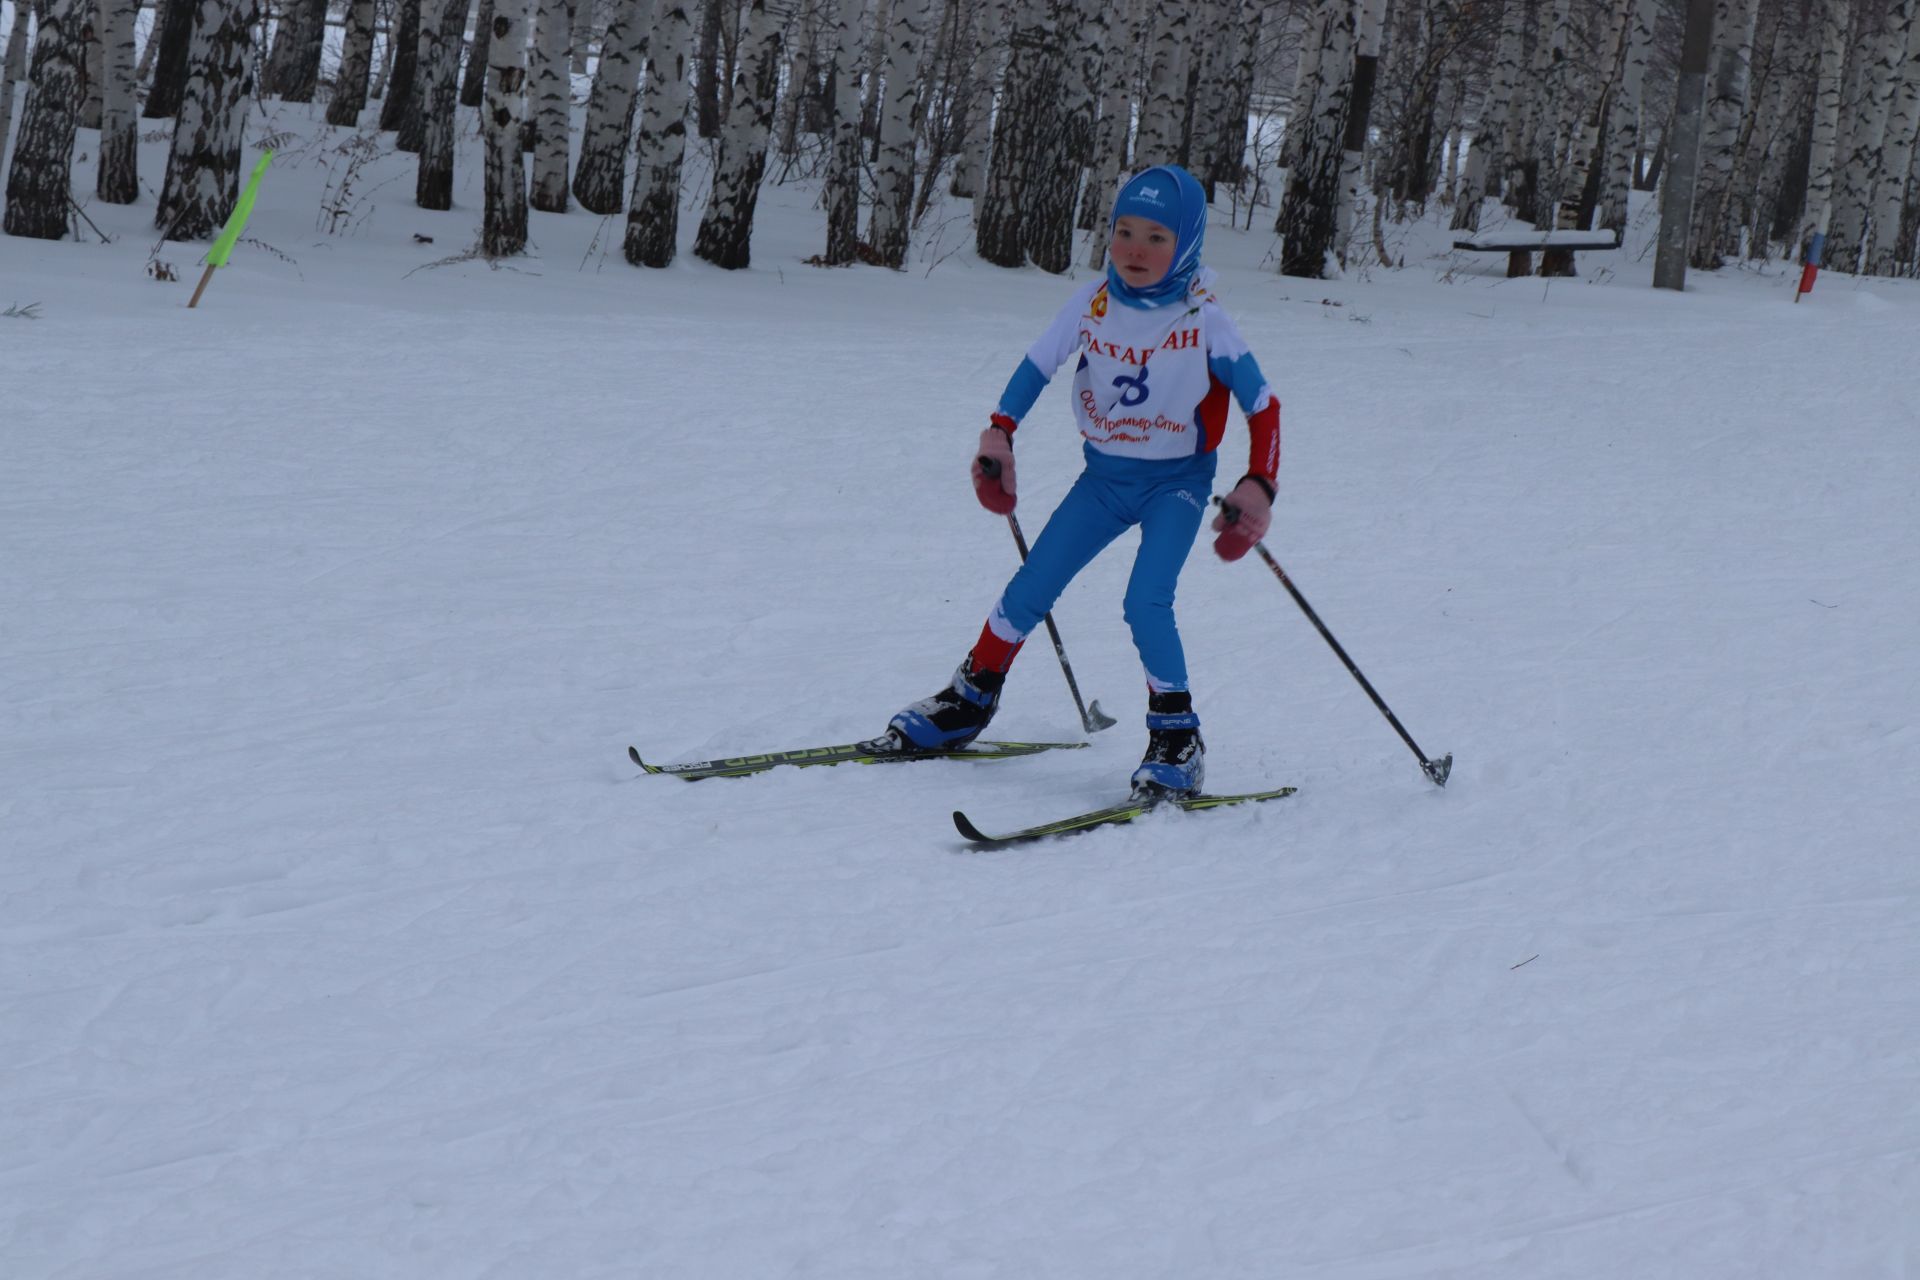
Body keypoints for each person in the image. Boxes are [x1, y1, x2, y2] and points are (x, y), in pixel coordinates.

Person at [885, 164, 1280, 799]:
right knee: (1031, 584)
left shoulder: (1204, 317)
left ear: (1187, 245)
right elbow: (1038, 364)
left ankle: (1178, 737)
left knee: (1145, 600)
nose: (1135, 249)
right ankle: (970, 698)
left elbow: (1263, 404)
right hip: (1104, 479)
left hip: (1176, 483)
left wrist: (1259, 484)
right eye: (1124, 230)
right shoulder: (1095, 301)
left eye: (1156, 236)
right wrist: (999, 434)